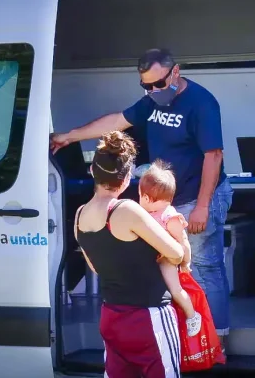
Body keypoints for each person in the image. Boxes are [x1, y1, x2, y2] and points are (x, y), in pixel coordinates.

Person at [51, 48, 233, 345]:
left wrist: (202, 206)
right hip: (166, 199)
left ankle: (216, 340)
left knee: (204, 266)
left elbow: (213, 156)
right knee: (172, 268)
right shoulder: (151, 102)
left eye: (158, 84)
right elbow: (116, 121)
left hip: (198, 195)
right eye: (146, 86)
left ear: (176, 72)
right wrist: (69, 136)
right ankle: (187, 339)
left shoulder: (201, 103)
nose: (153, 91)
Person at [74, 131, 184, 377]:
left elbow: (95, 267)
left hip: (111, 317)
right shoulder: (127, 210)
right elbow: (176, 254)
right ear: (125, 180)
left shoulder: (80, 215)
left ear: (92, 171)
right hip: (148, 317)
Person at [139, 159, 202, 337]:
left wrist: (185, 264)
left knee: (175, 289)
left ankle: (192, 315)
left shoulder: (170, 216)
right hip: (150, 258)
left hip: (166, 259)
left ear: (145, 197)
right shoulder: (145, 213)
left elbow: (183, 242)